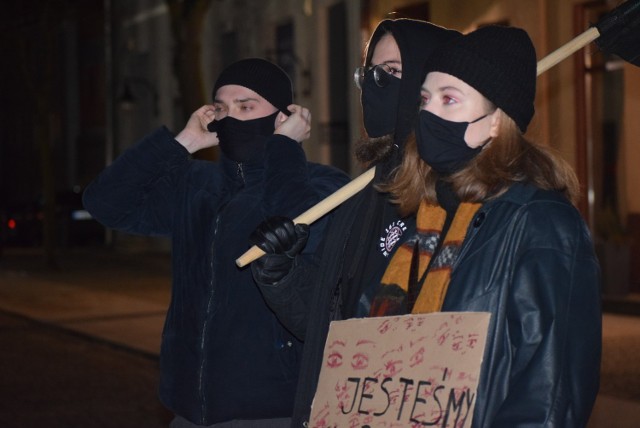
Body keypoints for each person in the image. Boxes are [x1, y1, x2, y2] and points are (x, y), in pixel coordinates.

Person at [82, 58, 349, 427]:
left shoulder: (324, 185)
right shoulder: (196, 187)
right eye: (222, 108)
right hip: (189, 408)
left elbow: (293, 225)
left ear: (283, 117)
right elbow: (104, 203)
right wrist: (184, 142)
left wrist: (284, 148)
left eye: (247, 106)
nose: (231, 118)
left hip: (273, 409)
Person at [369, 25, 601, 426]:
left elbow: (551, 391)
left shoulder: (542, 223)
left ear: (496, 122)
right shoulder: (424, 216)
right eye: (425, 99)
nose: (428, 114)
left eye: (449, 100)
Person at [248, 20, 460, 427]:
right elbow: (329, 326)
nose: (378, 86)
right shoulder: (366, 195)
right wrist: (283, 276)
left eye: (394, 72)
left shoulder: (461, 199)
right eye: (371, 74)